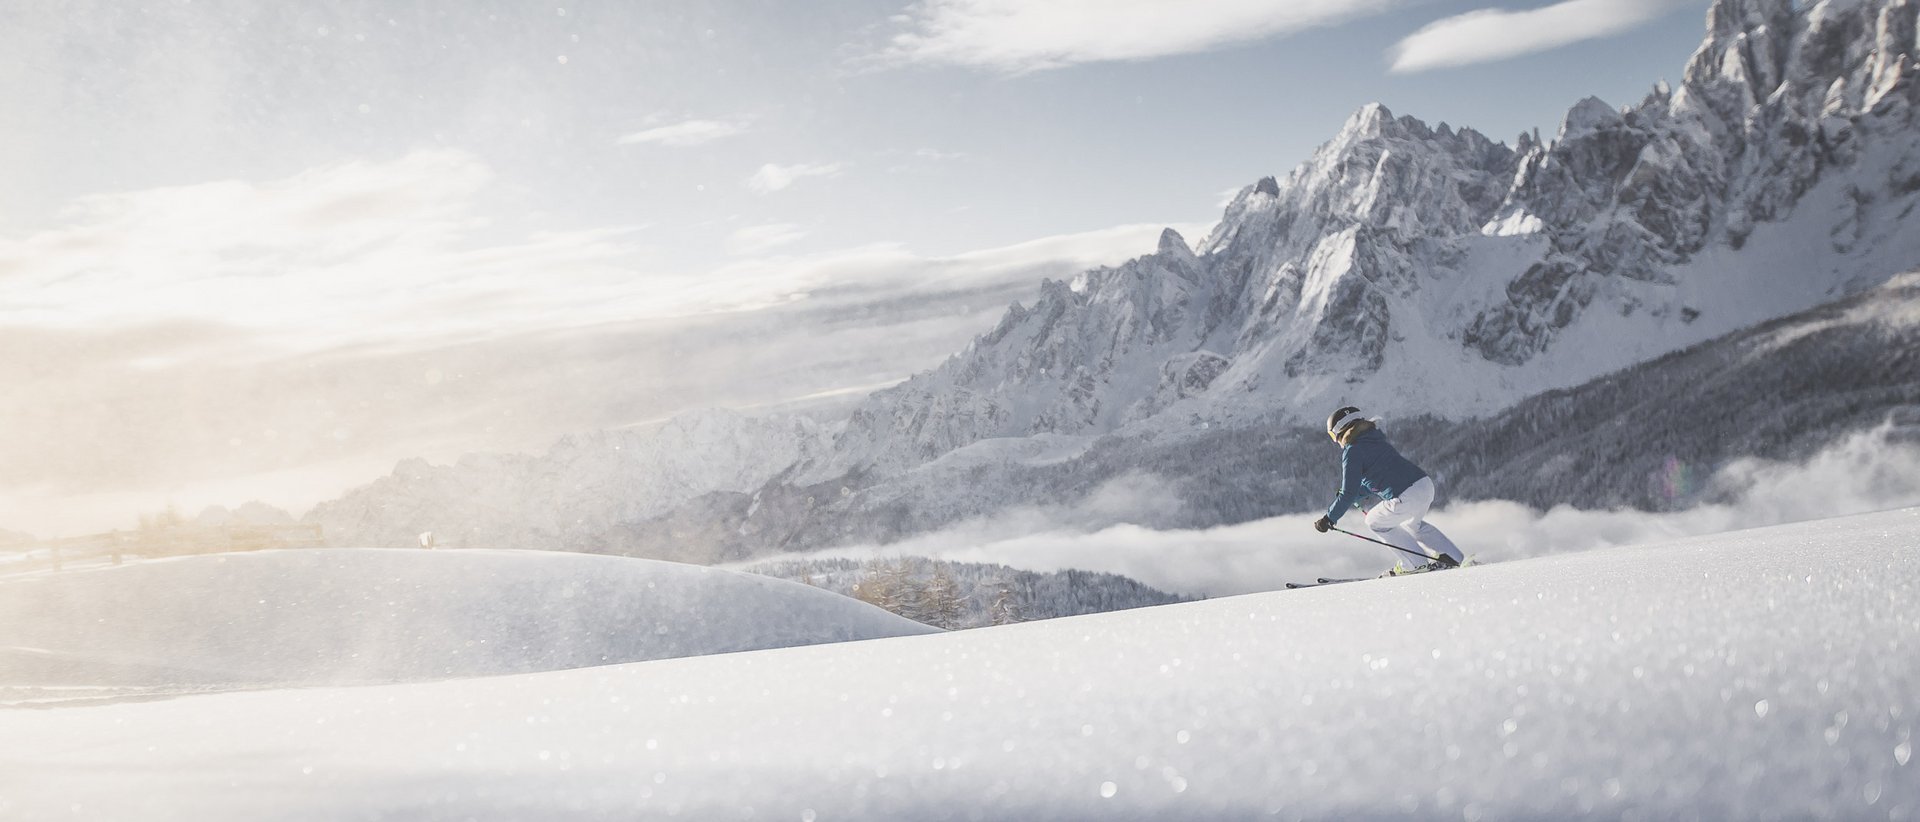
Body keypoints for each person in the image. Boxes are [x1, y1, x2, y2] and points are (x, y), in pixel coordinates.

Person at [1312, 406, 1465, 572]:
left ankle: (1414, 564)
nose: (1335, 440)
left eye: (1332, 435)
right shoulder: (1375, 439)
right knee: (1413, 524)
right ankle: (1454, 558)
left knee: (1374, 522)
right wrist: (1355, 495)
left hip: (1406, 495)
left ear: (1340, 430)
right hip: (1424, 485)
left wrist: (1328, 519)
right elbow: (1378, 478)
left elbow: (1348, 493)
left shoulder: (1352, 451)